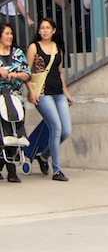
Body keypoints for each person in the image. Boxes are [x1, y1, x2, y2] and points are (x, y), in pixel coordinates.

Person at [24, 18, 73, 182]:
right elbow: (26, 72)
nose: (45, 30)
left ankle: (43, 156)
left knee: (66, 131)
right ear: (39, 31)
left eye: (48, 28)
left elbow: (60, 72)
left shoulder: (58, 48)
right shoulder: (34, 47)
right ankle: (57, 170)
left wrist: (66, 92)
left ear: (53, 30)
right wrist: (31, 92)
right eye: (42, 28)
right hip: (42, 93)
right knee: (56, 128)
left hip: (58, 92)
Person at [0, 22, 30, 182]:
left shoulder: (18, 53)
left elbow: (27, 74)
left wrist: (16, 75)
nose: (10, 36)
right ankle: (8, 169)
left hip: (15, 98)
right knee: (2, 133)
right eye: (7, 34)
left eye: (11, 34)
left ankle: (11, 170)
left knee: (14, 133)